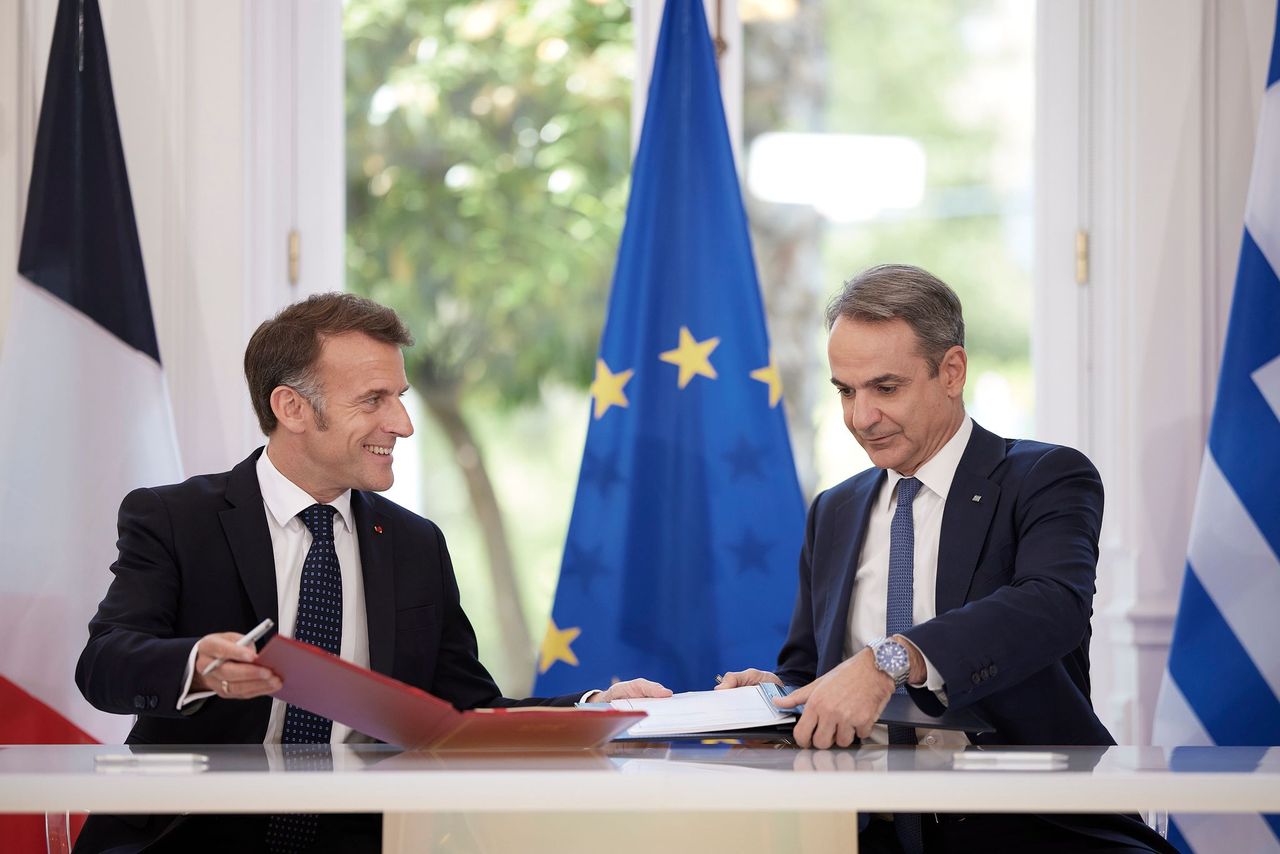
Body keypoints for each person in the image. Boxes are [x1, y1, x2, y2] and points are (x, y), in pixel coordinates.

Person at [73, 293, 668, 853]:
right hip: (183, 838)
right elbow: (104, 664)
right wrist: (197, 666)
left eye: (399, 396)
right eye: (374, 399)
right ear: (291, 408)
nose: (403, 423)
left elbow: (467, 710)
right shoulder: (175, 518)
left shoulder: (416, 544)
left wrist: (594, 707)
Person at [718, 266, 1173, 853]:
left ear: (952, 371)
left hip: (1023, 823)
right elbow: (812, 672)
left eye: (885, 388)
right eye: (846, 391)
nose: (860, 417)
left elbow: (1052, 606)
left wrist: (890, 660)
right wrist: (774, 697)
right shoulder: (834, 509)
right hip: (862, 829)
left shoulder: (1045, 477)